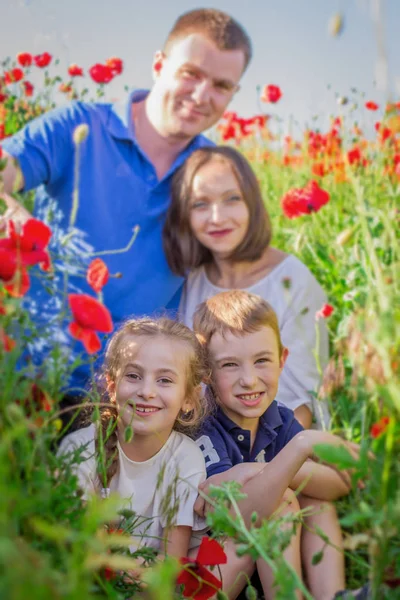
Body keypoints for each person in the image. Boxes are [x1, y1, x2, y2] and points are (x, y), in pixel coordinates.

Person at [0, 9, 251, 393]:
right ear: (158, 65)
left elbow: (244, 265)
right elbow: (7, 169)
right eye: (191, 74)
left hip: (133, 397)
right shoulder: (80, 126)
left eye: (221, 85)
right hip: (31, 374)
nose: (202, 95)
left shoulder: (213, 174)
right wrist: (9, 205)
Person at [191, 290, 357, 599]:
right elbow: (239, 516)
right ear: (206, 373)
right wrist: (297, 453)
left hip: (262, 563)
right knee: (283, 501)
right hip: (214, 571)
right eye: (230, 365)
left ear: (282, 359)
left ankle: (333, 595)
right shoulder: (203, 426)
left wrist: (272, 465)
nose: (249, 380)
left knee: (315, 500)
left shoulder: (277, 418)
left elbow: (338, 484)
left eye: (262, 360)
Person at [163, 145, 330, 429]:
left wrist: (262, 469)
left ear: (252, 203)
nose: (217, 217)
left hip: (282, 448)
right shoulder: (193, 281)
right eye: (200, 204)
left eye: (232, 199)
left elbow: (304, 403)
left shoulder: (292, 280)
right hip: (206, 445)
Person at [58, 316, 211, 557]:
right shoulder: (80, 447)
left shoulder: (185, 458)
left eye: (164, 380)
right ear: (111, 386)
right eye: (133, 376)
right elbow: (81, 550)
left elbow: (170, 566)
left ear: (189, 398)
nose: (146, 392)